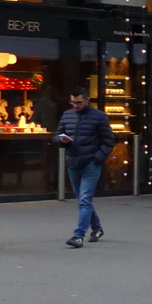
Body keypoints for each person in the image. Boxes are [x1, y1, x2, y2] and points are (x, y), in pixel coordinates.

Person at [53, 88, 115, 248]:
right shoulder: (67, 115)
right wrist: (61, 140)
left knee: (85, 199)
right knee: (83, 199)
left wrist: (97, 159)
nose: (75, 105)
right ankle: (96, 228)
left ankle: (78, 235)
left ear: (87, 100)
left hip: (90, 163)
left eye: (79, 102)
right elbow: (57, 135)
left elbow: (108, 141)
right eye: (73, 102)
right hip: (73, 161)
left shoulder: (99, 116)